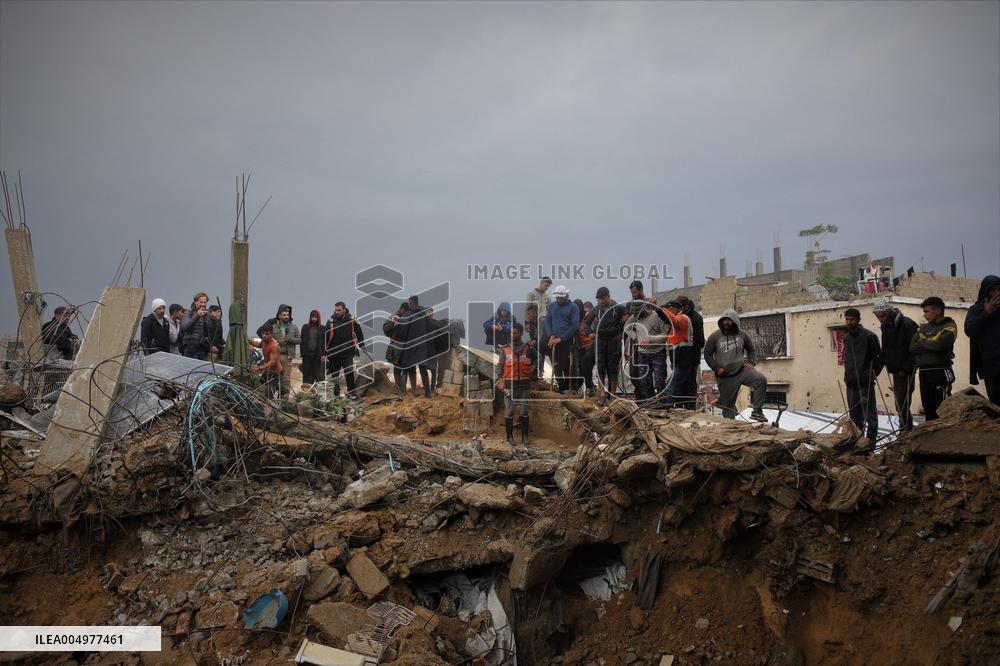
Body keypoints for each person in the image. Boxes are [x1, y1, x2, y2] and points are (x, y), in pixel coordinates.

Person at [704, 309, 767, 422]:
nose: (726, 323)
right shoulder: (714, 336)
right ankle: (731, 427)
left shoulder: (743, 335)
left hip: (741, 371)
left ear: (735, 321)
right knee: (728, 408)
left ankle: (757, 411)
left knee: (760, 380)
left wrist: (751, 362)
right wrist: (716, 368)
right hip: (725, 377)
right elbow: (707, 354)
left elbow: (751, 350)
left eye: (729, 320)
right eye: (724, 320)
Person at [873, 300, 918, 432]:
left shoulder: (907, 324)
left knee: (903, 402)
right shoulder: (886, 326)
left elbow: (915, 349)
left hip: (906, 371)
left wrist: (906, 369)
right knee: (900, 403)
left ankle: (905, 430)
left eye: (882, 316)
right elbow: (886, 349)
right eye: (878, 316)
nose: (880, 319)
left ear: (889, 313)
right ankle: (905, 429)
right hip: (895, 370)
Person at [910, 296, 957, 421]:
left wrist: (923, 342)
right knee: (928, 406)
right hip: (924, 371)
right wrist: (930, 343)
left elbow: (940, 345)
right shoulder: (923, 328)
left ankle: (945, 436)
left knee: (942, 406)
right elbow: (913, 347)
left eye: (927, 311)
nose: (924, 315)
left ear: (938, 311)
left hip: (941, 370)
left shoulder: (949, 326)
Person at [842, 308, 884, 441]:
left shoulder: (869, 336)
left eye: (852, 319)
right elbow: (847, 360)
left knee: (870, 417)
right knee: (854, 419)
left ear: (858, 320)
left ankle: (870, 446)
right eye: (847, 319)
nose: (849, 322)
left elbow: (879, 360)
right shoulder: (846, 338)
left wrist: (870, 375)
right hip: (851, 383)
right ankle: (857, 446)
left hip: (865, 384)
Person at [495, 322, 536, 445]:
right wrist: (500, 380)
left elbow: (537, 358)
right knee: (510, 411)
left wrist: (532, 369)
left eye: (516, 332)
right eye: (512, 332)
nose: (513, 334)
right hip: (510, 385)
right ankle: (509, 437)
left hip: (524, 385)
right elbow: (500, 365)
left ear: (521, 333)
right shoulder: (505, 349)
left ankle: (525, 437)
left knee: (524, 411)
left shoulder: (528, 348)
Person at [623, 297, 668, 402]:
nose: (637, 315)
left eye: (638, 312)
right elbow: (627, 328)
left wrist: (651, 339)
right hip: (642, 354)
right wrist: (636, 337)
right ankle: (650, 403)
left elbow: (665, 335)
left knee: (659, 380)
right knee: (645, 381)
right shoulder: (634, 318)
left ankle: (662, 404)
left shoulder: (657, 316)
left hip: (658, 352)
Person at [586, 287, 627, 402]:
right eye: (599, 299)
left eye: (603, 299)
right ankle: (602, 394)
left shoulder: (618, 308)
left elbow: (628, 320)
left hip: (614, 341)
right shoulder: (596, 309)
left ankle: (613, 395)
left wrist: (622, 333)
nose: (601, 301)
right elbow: (587, 323)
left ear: (608, 296)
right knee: (600, 367)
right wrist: (590, 333)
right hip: (600, 341)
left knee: (613, 368)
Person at [966, 275, 1000, 405]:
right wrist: (986, 313)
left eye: (999, 289)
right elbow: (970, 330)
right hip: (990, 363)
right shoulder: (977, 309)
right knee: (995, 402)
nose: (997, 293)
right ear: (986, 292)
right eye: (993, 290)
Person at [325, 302, 366, 400]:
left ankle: (352, 393)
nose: (337, 312)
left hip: (347, 353)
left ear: (344, 309)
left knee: (349, 372)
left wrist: (362, 345)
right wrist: (324, 352)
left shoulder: (351, 321)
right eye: (336, 310)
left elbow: (359, 333)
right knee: (335, 375)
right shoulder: (331, 321)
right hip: (334, 354)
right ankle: (336, 395)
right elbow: (325, 337)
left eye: (339, 310)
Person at [543, 285, 579, 393]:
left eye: (561, 298)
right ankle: (561, 387)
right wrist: (551, 335)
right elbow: (547, 321)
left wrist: (562, 338)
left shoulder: (573, 307)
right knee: (556, 365)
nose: (559, 300)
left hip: (566, 340)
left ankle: (571, 388)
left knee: (567, 365)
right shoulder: (552, 306)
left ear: (567, 296)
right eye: (557, 297)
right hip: (553, 340)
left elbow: (574, 325)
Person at [398, 295, 436, 398]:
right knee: (423, 369)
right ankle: (427, 393)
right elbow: (431, 329)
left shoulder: (408, 315)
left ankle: (402, 393)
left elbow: (401, 331)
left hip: (410, 347)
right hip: (423, 348)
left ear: (411, 303)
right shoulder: (425, 316)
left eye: (409, 303)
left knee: (405, 368)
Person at [661, 301, 695, 406]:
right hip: (678, 360)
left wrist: (662, 309)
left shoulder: (682, 318)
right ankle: (678, 406)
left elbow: (673, 320)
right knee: (680, 385)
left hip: (683, 359)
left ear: (673, 309)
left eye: (669, 309)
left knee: (673, 384)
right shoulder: (674, 325)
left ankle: (667, 405)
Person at [677, 296, 705, 410]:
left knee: (689, 384)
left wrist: (686, 340)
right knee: (679, 384)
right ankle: (679, 408)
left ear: (684, 306)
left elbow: (700, 341)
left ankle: (690, 409)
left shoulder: (695, 318)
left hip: (691, 358)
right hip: (678, 358)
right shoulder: (678, 317)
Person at [268, 304, 300, 398]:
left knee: (286, 379)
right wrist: (279, 342)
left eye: (287, 315)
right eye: (284, 315)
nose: (286, 316)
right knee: (275, 378)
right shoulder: (273, 328)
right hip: (276, 356)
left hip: (287, 356)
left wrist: (290, 339)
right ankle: (274, 398)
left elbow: (299, 340)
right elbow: (270, 341)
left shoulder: (293, 327)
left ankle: (285, 400)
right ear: (279, 316)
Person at [383, 302, 410, 395]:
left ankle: (403, 389)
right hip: (396, 345)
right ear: (402, 309)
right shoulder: (393, 316)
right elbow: (385, 328)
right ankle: (399, 389)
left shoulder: (409, 316)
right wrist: (394, 324)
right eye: (404, 311)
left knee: (405, 368)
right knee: (397, 368)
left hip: (407, 345)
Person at [528, 278, 552, 378]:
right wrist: (527, 322)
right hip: (533, 321)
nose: (546, 288)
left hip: (543, 322)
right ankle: (536, 373)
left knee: (539, 347)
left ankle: (540, 372)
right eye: (545, 285)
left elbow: (550, 310)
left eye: (548, 286)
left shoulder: (548, 296)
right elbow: (527, 308)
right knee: (534, 348)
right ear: (541, 283)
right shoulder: (532, 294)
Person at [251, 324, 283, 399]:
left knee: (269, 394)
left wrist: (259, 368)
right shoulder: (264, 340)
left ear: (271, 334)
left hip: (276, 373)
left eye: (266, 334)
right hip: (268, 370)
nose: (264, 335)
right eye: (262, 333)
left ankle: (280, 390)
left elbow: (272, 362)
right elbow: (259, 345)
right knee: (259, 384)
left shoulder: (274, 346)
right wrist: (249, 340)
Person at [181, 293, 214, 360]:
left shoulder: (207, 314)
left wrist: (210, 318)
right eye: (201, 302)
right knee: (192, 369)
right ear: (195, 302)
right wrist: (197, 315)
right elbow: (184, 327)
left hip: (203, 349)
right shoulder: (188, 312)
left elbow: (210, 331)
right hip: (191, 349)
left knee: (203, 370)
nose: (203, 304)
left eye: (205, 302)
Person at [299, 310, 327, 387]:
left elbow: (325, 343)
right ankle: (307, 394)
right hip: (306, 356)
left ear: (318, 318)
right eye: (312, 316)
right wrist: (302, 353)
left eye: (316, 317)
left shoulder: (322, 328)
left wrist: (324, 354)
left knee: (318, 376)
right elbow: (301, 340)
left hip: (317, 356)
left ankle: (317, 394)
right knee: (307, 376)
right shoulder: (305, 327)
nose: (314, 318)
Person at [575, 301, 596, 396]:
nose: (587, 313)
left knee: (586, 363)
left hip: (592, 345)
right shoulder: (579, 320)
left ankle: (590, 387)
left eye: (589, 311)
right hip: (582, 347)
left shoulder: (594, 320)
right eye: (585, 311)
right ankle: (587, 387)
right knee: (582, 367)